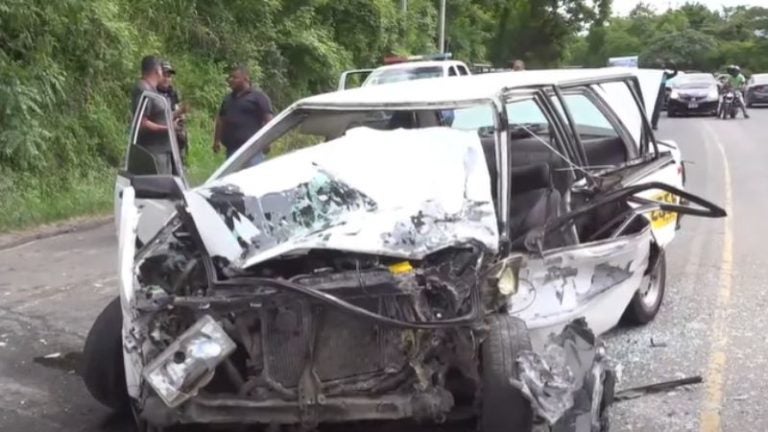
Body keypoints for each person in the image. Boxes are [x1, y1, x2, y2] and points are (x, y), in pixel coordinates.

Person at [213, 65, 274, 165]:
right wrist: (216, 141)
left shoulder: (258, 97)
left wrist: (268, 141)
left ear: (246, 78)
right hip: (232, 150)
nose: (231, 80)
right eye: (230, 77)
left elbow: (269, 120)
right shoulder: (228, 99)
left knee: (251, 178)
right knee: (232, 179)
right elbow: (221, 120)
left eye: (235, 78)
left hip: (252, 150)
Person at [131, 55, 175, 174]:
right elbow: (142, 122)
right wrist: (167, 128)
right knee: (159, 187)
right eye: (161, 70)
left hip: (163, 149)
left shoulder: (153, 90)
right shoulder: (143, 90)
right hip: (153, 151)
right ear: (157, 71)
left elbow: (158, 114)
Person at [157, 60, 189, 166]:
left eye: (169, 76)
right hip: (160, 139)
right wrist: (178, 113)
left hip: (175, 138)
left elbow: (177, 108)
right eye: (164, 75)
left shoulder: (173, 93)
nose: (167, 79)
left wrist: (181, 117)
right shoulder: (153, 93)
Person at [651, 61, 678, 131]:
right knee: (653, 109)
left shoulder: (664, 75)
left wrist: (673, 65)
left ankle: (654, 124)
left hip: (661, 93)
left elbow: (675, 73)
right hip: (654, 92)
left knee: (657, 110)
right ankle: (651, 123)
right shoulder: (654, 75)